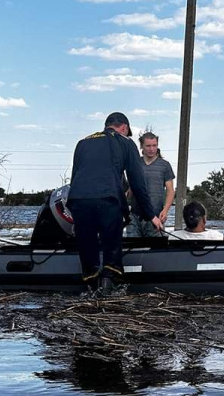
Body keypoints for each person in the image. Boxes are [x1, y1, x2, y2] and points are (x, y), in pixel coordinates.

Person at [67, 112, 163, 294]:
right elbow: (137, 182)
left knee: (88, 248)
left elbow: (75, 177)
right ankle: (109, 287)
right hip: (107, 199)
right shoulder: (125, 142)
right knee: (112, 246)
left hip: (78, 199)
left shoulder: (82, 143)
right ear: (124, 128)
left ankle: (91, 286)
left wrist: (74, 212)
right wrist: (151, 215)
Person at [125, 131, 175, 237]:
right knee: (133, 249)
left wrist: (165, 210)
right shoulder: (135, 163)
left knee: (155, 250)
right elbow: (129, 189)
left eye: (154, 145)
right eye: (148, 146)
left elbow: (170, 191)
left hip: (156, 216)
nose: (151, 149)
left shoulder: (165, 165)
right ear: (142, 146)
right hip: (135, 216)